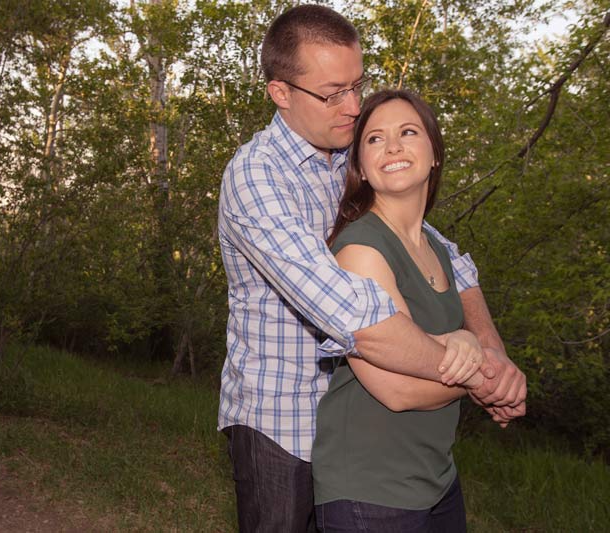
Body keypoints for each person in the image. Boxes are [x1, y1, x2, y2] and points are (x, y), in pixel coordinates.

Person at [217, 5, 526, 532]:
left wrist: (490, 347)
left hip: (357, 424)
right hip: (281, 423)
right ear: (281, 93)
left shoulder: (350, 155)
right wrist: (479, 374)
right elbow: (356, 316)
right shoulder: (256, 178)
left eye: (357, 85)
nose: (354, 106)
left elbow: (448, 257)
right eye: (333, 92)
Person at [313, 89, 482, 532]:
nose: (392, 147)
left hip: (436, 478)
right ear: (362, 168)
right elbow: (397, 389)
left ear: (435, 154)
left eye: (408, 132)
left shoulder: (436, 249)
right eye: (373, 139)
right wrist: (482, 375)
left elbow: (439, 352)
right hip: (370, 491)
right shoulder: (360, 250)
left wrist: (468, 348)